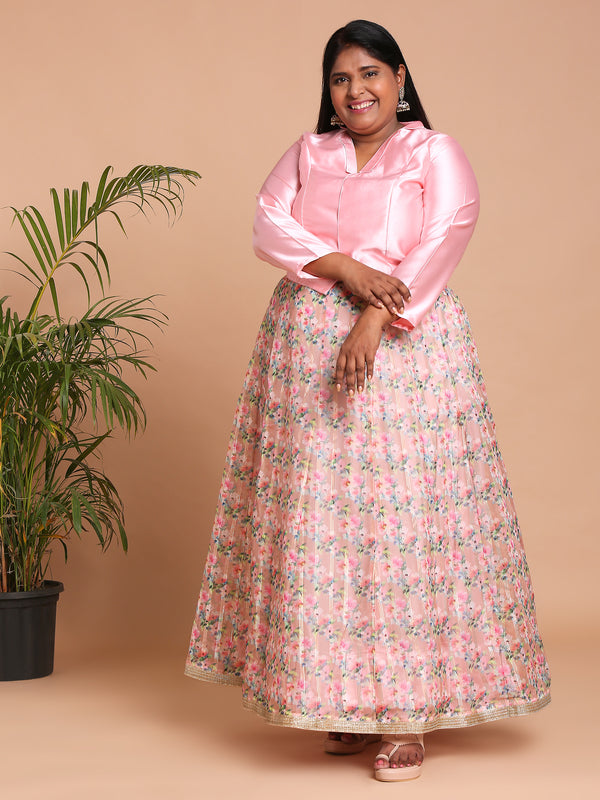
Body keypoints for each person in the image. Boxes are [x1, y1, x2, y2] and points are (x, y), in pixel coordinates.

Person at [185, 19, 551, 782]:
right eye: (341, 78)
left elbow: (446, 231)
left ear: (401, 78)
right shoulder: (308, 153)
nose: (356, 91)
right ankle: (342, 701)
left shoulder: (433, 151)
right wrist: (348, 271)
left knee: (406, 525)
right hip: (304, 351)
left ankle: (406, 713)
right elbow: (267, 224)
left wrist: (376, 317)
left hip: (409, 352)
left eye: (371, 74)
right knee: (325, 524)